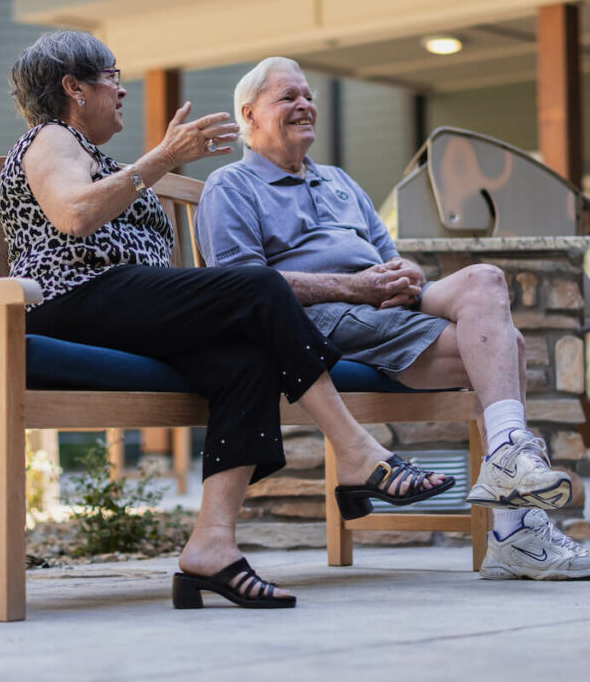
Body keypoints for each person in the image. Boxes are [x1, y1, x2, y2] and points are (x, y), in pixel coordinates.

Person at [0, 31, 455, 609]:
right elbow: (74, 214)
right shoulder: (51, 139)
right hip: (72, 304)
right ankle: (359, 453)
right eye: (112, 76)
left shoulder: (97, 157)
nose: (122, 89)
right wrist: (165, 157)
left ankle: (210, 548)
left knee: (248, 360)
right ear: (73, 87)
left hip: (124, 309)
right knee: (259, 287)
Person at [194, 56, 590, 581]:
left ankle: (507, 463)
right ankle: (514, 528)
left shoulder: (337, 180)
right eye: (287, 97)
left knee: (486, 280)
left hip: (383, 302)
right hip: (322, 318)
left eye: (308, 94)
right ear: (248, 115)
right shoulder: (232, 185)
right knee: (507, 347)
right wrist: (356, 286)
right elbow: (243, 290)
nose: (305, 105)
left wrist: (405, 271)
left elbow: (396, 258)